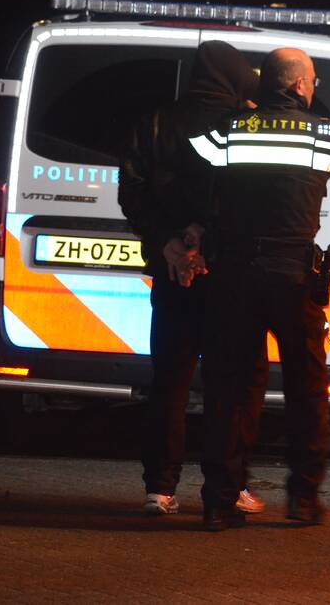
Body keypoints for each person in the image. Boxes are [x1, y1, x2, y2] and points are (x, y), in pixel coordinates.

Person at [190, 47, 330, 531]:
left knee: (230, 389)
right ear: (300, 86)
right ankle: (303, 497)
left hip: (234, 274)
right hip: (293, 277)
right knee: (307, 388)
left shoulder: (229, 131)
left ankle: (219, 501)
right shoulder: (326, 134)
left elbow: (202, 160)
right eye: (313, 81)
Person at [118, 40, 268, 516]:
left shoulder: (156, 121)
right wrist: (203, 239)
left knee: (170, 380)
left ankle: (159, 488)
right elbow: (247, 196)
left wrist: (169, 242)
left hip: (171, 270)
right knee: (232, 383)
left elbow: (131, 189)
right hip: (229, 275)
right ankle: (230, 485)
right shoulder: (245, 126)